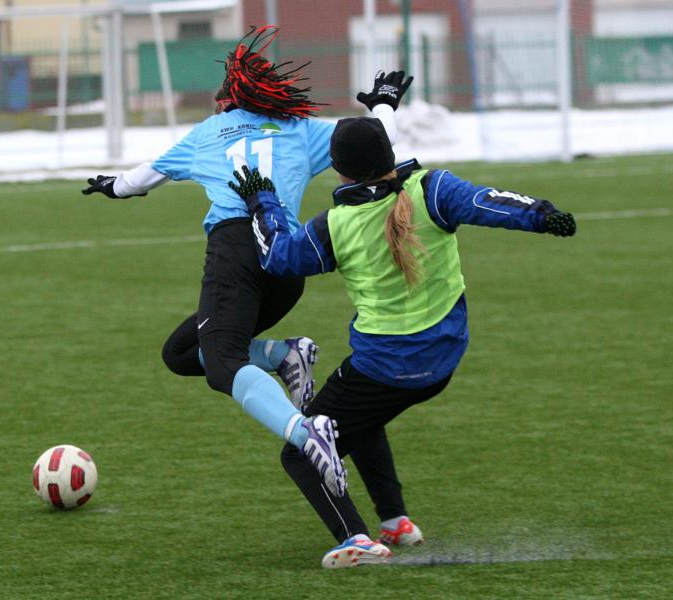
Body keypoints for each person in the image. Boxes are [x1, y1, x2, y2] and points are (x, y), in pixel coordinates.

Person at [228, 116, 577, 568]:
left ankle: (354, 537)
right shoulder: (432, 189)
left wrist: (262, 199)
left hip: (383, 369)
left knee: (300, 452)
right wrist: (544, 215)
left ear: (339, 171)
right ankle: (395, 522)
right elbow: (490, 202)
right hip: (443, 362)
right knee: (361, 416)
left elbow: (278, 256)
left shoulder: (335, 224)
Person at [81, 25, 414, 498]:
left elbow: (140, 179)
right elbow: (380, 138)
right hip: (286, 258)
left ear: (227, 101)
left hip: (236, 251)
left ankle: (306, 433)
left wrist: (111, 186)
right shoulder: (300, 130)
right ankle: (283, 354)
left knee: (221, 365)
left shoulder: (210, 132)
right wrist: (383, 101)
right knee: (180, 353)